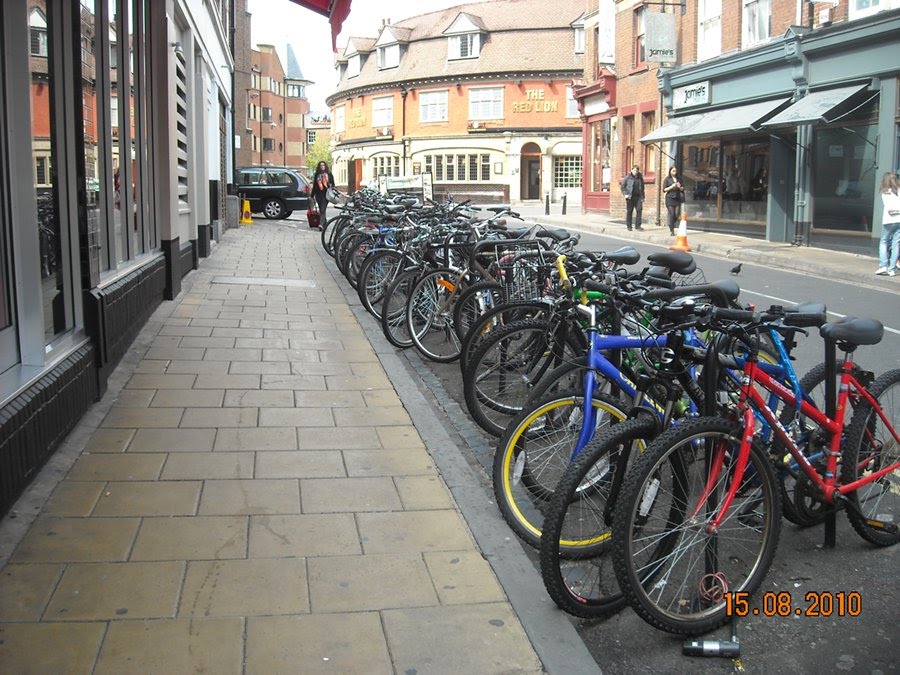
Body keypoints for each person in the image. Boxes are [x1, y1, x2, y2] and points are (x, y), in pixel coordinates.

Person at [875, 171, 900, 277]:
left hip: (888, 220)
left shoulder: (884, 192)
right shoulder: (899, 190)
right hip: (899, 220)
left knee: (884, 242)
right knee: (896, 243)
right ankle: (892, 269)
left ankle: (883, 266)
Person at [310, 161, 336, 225]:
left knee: (322, 209)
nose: (322, 167)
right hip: (318, 195)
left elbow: (333, 184)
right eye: (321, 165)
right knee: (321, 209)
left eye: (323, 165)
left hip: (326, 194)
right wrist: (312, 196)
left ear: (325, 166)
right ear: (319, 167)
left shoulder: (329, 174)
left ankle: (321, 224)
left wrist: (330, 185)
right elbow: (315, 186)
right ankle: (325, 222)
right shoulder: (317, 175)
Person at [620, 165, 645, 231]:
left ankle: (638, 226)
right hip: (630, 197)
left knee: (639, 210)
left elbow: (642, 188)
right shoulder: (627, 177)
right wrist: (625, 194)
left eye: (636, 171)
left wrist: (643, 197)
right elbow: (622, 186)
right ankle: (629, 226)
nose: (635, 172)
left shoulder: (640, 178)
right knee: (629, 211)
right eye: (634, 170)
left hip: (638, 197)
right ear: (631, 170)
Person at [662, 165, 685, 235]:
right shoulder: (667, 179)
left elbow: (683, 188)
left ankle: (671, 223)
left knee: (676, 214)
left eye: (675, 171)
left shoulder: (679, 179)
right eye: (673, 171)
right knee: (672, 214)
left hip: (677, 198)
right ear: (670, 171)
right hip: (669, 198)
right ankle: (672, 230)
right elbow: (664, 189)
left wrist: (679, 187)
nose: (674, 172)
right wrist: (672, 186)